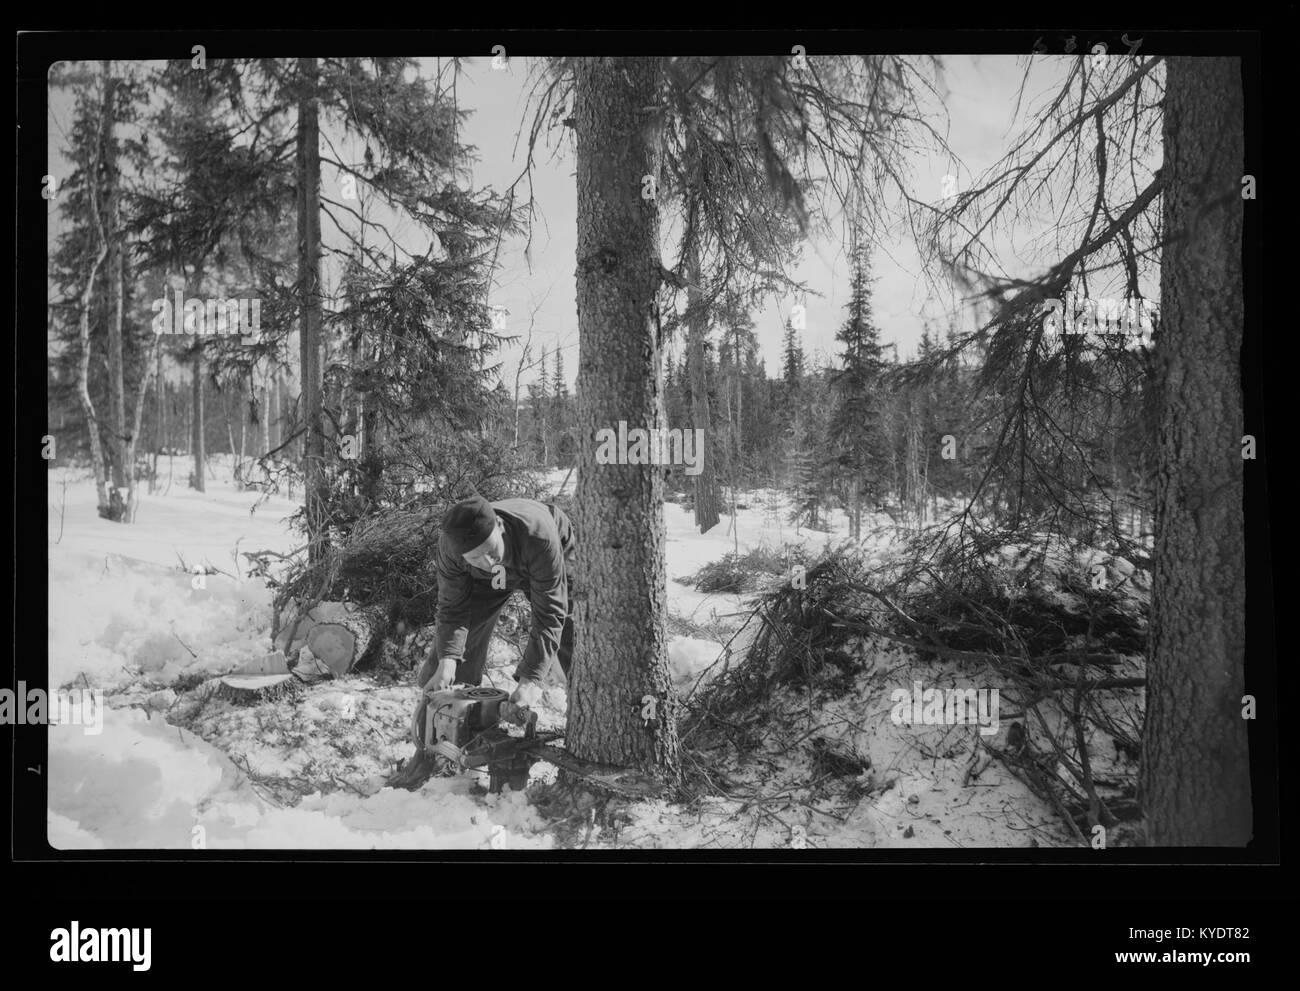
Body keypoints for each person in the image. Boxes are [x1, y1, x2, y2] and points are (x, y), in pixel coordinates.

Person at [389, 494, 576, 789]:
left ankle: (586, 718)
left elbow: (549, 614)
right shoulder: (451, 549)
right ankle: (436, 752)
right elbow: (452, 609)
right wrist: (449, 660)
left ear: (499, 525)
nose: (489, 562)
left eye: (490, 550)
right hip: (484, 583)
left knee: (572, 629)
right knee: (447, 666)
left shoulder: (538, 535)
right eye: (476, 557)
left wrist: (530, 681)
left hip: (540, 556)